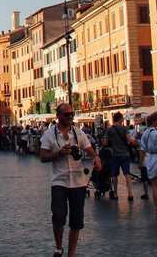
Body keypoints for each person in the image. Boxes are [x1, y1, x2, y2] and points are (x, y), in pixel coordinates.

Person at [40, 103, 102, 257]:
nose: (70, 117)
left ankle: (71, 254)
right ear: (58, 116)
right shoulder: (49, 135)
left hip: (78, 180)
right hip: (59, 181)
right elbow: (43, 157)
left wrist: (95, 159)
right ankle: (59, 247)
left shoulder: (79, 134)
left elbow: (91, 151)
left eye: (72, 114)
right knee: (58, 218)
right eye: (67, 114)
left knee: (76, 221)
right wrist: (59, 153)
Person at [102, 112, 135, 201]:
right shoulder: (125, 128)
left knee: (114, 174)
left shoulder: (109, 129)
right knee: (127, 174)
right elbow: (130, 140)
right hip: (125, 154)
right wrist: (135, 143)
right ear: (120, 119)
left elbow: (105, 142)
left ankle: (116, 193)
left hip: (115, 154)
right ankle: (130, 193)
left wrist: (101, 148)